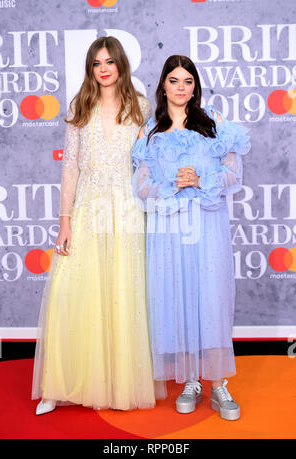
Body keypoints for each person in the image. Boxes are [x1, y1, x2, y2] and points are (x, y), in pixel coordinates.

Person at [31, 36, 156, 414]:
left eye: (109, 61)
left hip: (127, 209)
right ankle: (58, 385)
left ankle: (120, 384)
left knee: (122, 292)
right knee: (72, 292)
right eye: (96, 62)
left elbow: (147, 162)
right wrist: (64, 220)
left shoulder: (141, 106)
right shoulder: (79, 106)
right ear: (90, 68)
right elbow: (70, 166)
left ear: (121, 64)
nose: (103, 68)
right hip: (86, 206)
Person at [131, 55, 251, 421]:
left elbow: (234, 173)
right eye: (174, 80)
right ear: (162, 85)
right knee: (177, 298)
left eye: (188, 81)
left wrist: (200, 180)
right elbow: (141, 186)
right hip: (169, 231)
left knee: (210, 300)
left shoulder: (213, 123)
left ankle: (217, 385)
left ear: (195, 86)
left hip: (207, 225)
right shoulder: (149, 131)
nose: (181, 88)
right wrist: (171, 185)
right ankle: (188, 381)